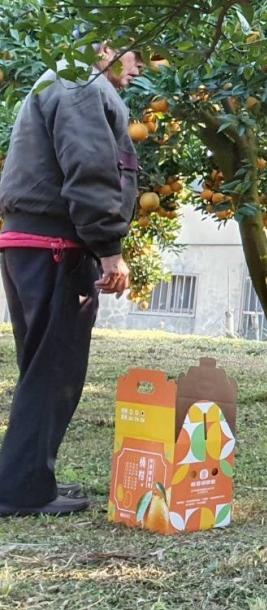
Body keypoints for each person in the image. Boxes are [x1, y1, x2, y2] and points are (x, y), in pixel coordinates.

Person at [0, 39, 145, 516]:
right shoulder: (82, 86)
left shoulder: (54, 80)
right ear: (104, 47)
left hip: (29, 242)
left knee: (42, 368)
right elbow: (89, 169)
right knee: (55, 371)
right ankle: (21, 492)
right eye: (135, 54)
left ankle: (28, 481)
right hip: (56, 246)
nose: (140, 66)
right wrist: (109, 250)